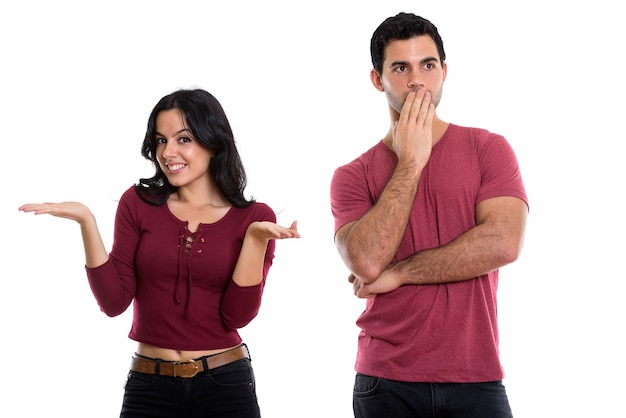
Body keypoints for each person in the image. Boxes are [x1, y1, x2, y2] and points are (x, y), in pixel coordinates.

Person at [19, 88, 300, 417]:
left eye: (183, 139)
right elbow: (114, 303)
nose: (168, 152)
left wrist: (254, 240)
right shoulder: (137, 204)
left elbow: (237, 317)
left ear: (213, 141)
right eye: (160, 140)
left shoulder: (255, 219)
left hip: (225, 385)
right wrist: (86, 221)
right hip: (149, 386)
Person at [330, 12, 528, 418]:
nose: (417, 79)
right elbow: (366, 261)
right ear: (377, 79)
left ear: (444, 71)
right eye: (400, 67)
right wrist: (410, 163)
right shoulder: (352, 175)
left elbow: (503, 243)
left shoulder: (488, 149)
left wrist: (400, 272)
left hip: (476, 377)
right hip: (385, 381)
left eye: (428, 64)